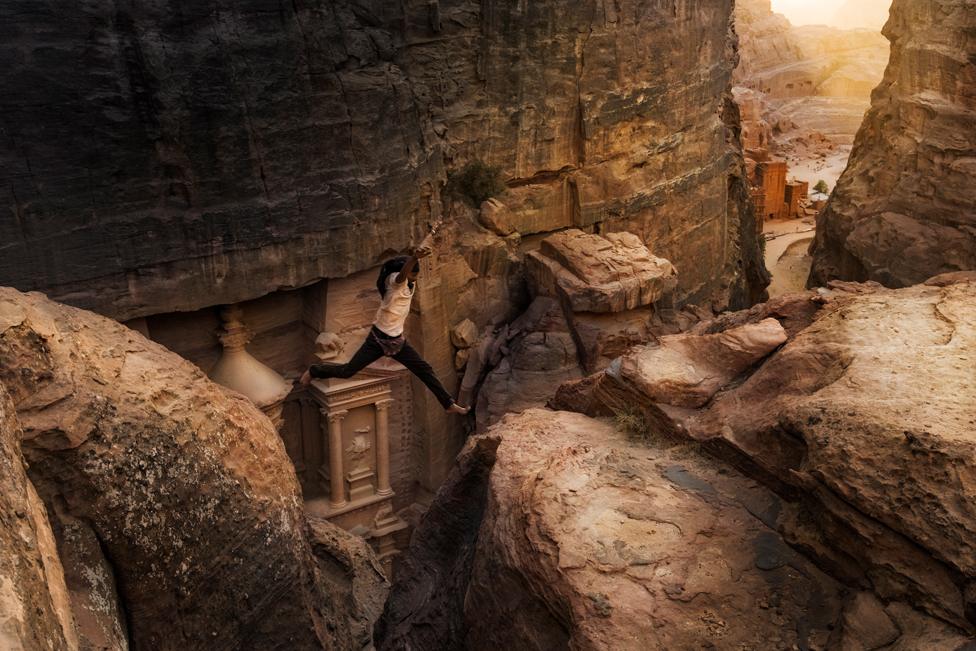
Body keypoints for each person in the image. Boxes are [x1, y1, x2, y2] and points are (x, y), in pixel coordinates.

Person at [300, 234, 470, 415]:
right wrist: (413, 259)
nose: (415, 278)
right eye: (414, 274)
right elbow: (402, 275)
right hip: (377, 340)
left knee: (424, 370)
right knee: (348, 371)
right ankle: (314, 370)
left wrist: (425, 244)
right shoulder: (395, 283)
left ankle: (448, 404)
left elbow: (409, 269)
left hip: (398, 343)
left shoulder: (410, 285)